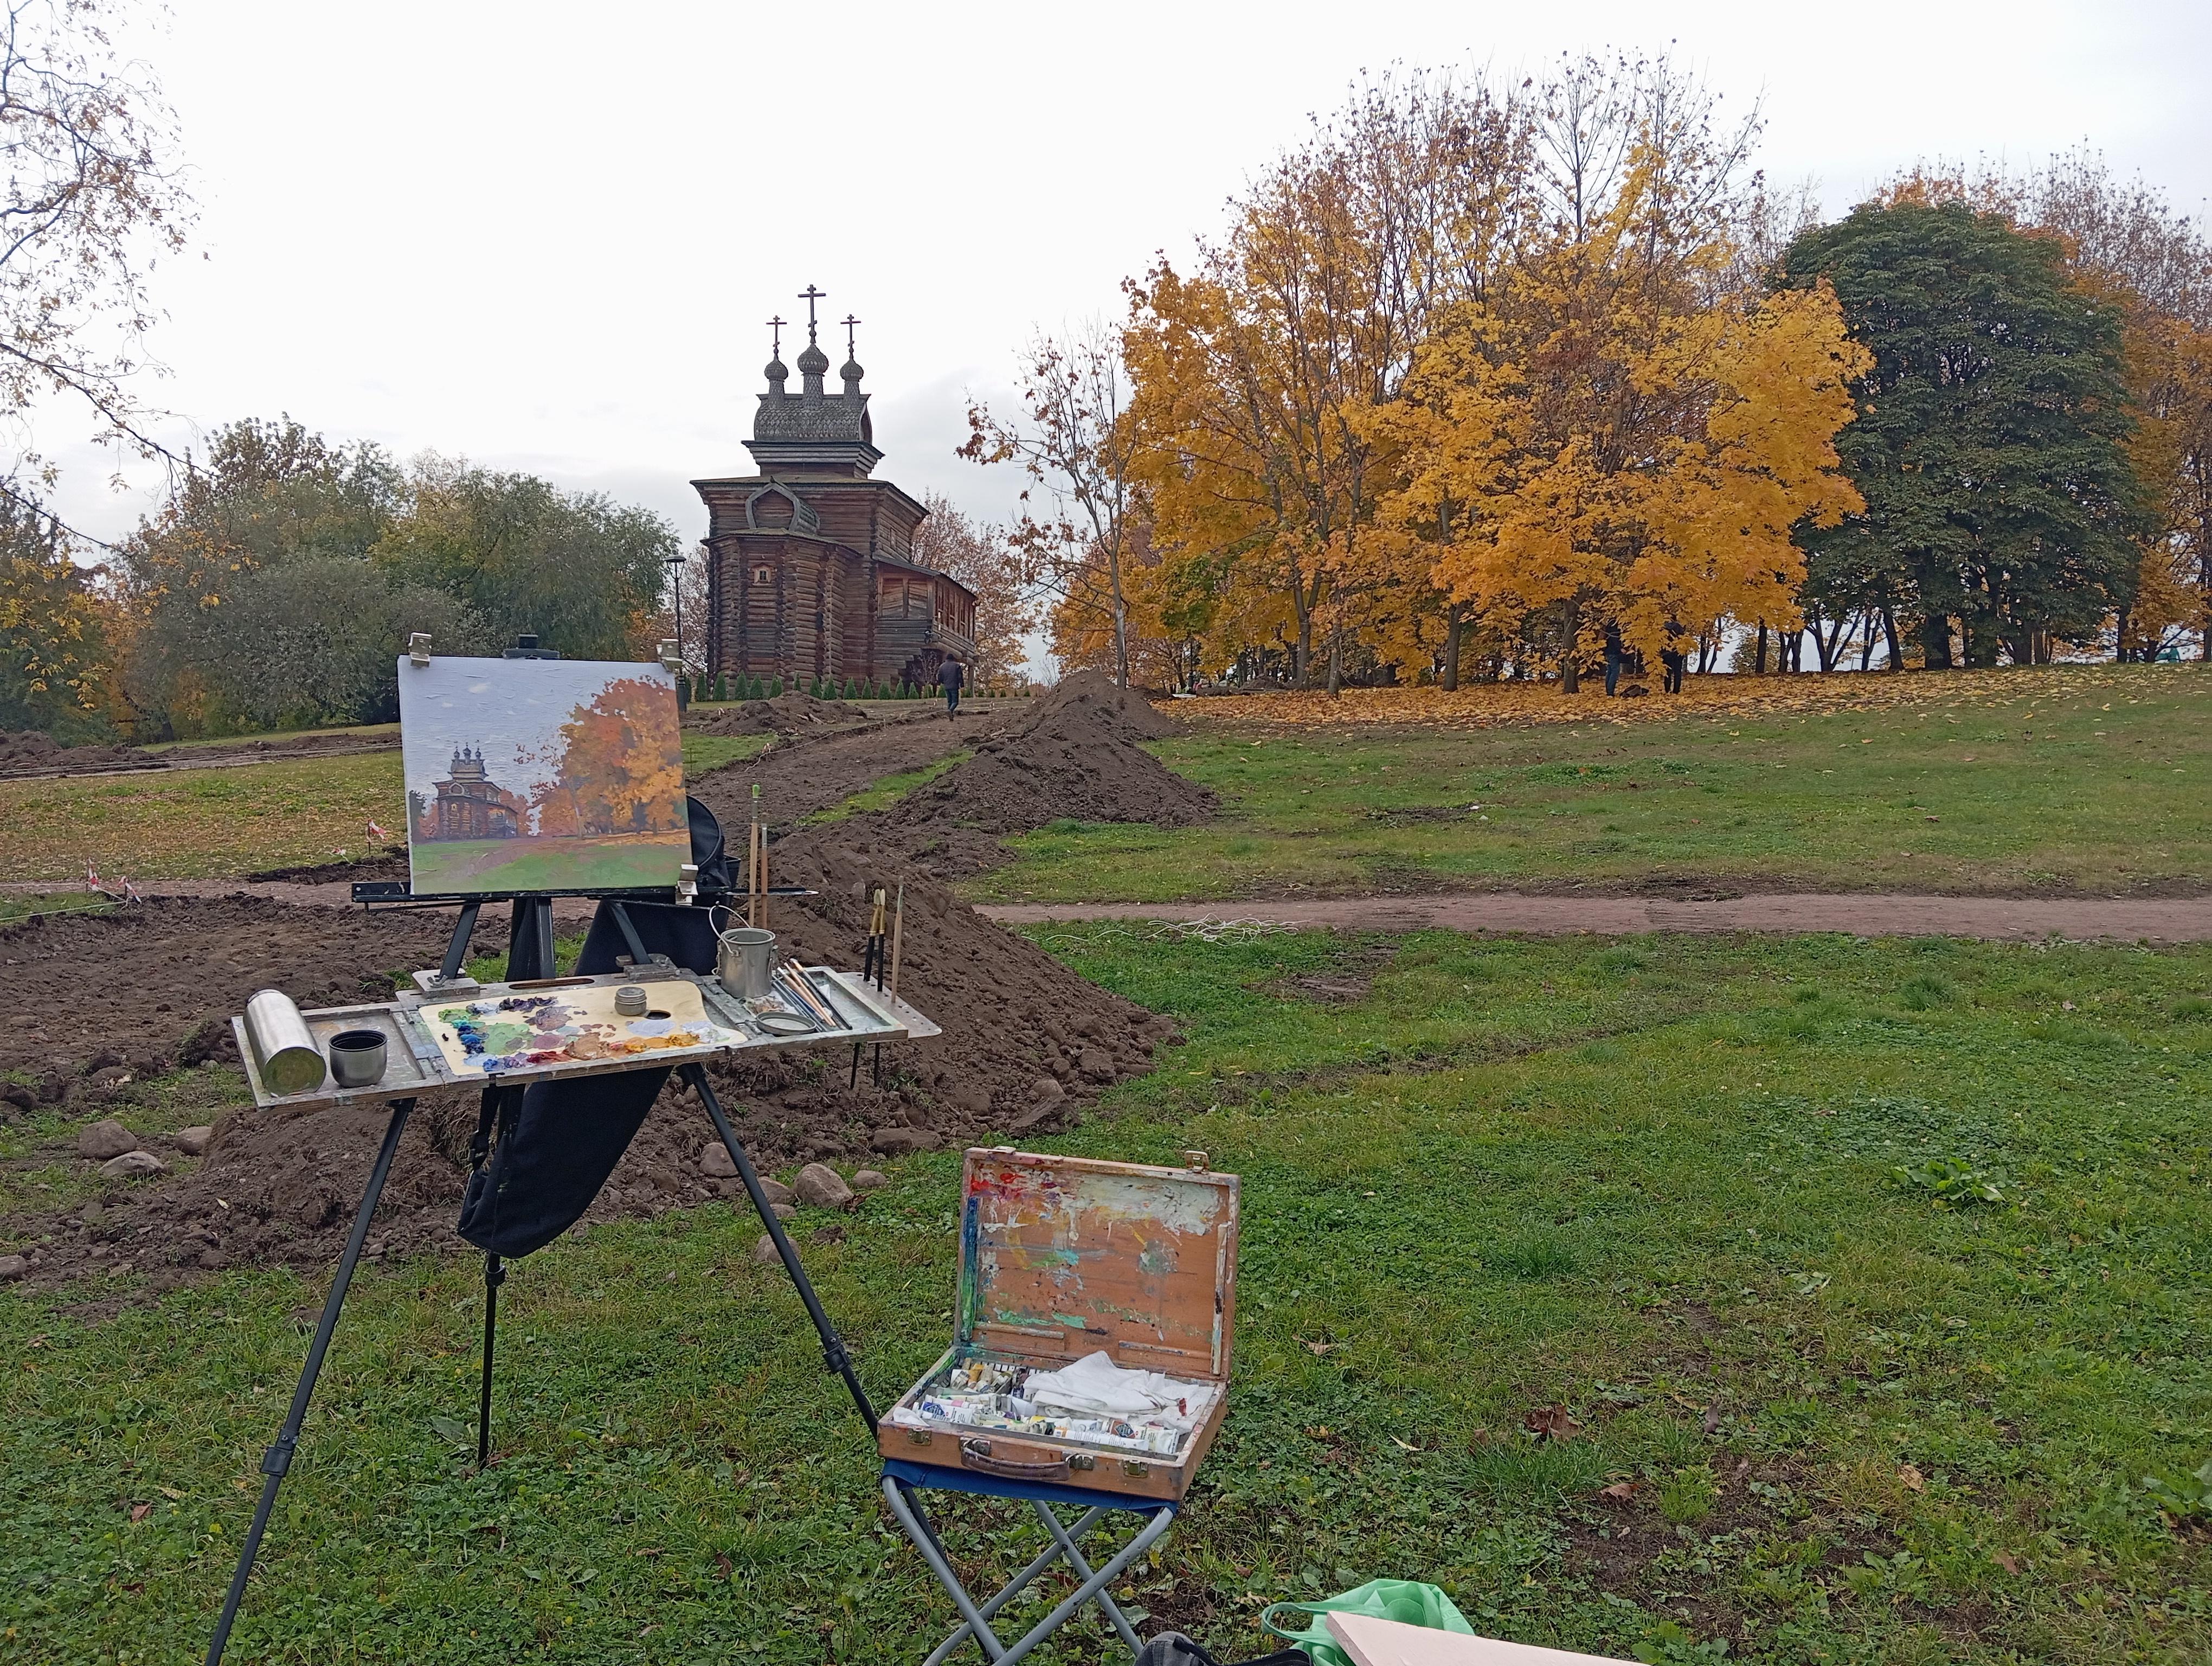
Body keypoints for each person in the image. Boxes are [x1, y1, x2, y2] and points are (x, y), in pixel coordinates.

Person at [935, 653, 966, 717]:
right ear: (953, 659)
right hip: (954, 686)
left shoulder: (942, 666)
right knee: (955, 702)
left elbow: (939, 677)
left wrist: (943, 682)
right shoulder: (957, 666)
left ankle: (950, 716)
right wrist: (962, 684)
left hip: (946, 686)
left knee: (949, 702)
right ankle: (950, 711)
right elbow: (960, 676)